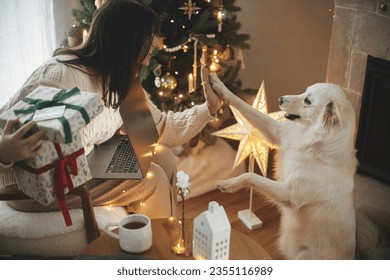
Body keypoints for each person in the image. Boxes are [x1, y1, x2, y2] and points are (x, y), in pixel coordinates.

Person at [0, 0, 221, 218]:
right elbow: (5, 125)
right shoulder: (62, 76)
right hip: (32, 186)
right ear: (126, 41)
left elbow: (162, 129)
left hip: (85, 162)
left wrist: (208, 108)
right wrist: (4, 152)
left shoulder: (120, 80)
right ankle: (156, 248)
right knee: (152, 180)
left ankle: (164, 235)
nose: (155, 44)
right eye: (148, 37)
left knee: (164, 157)